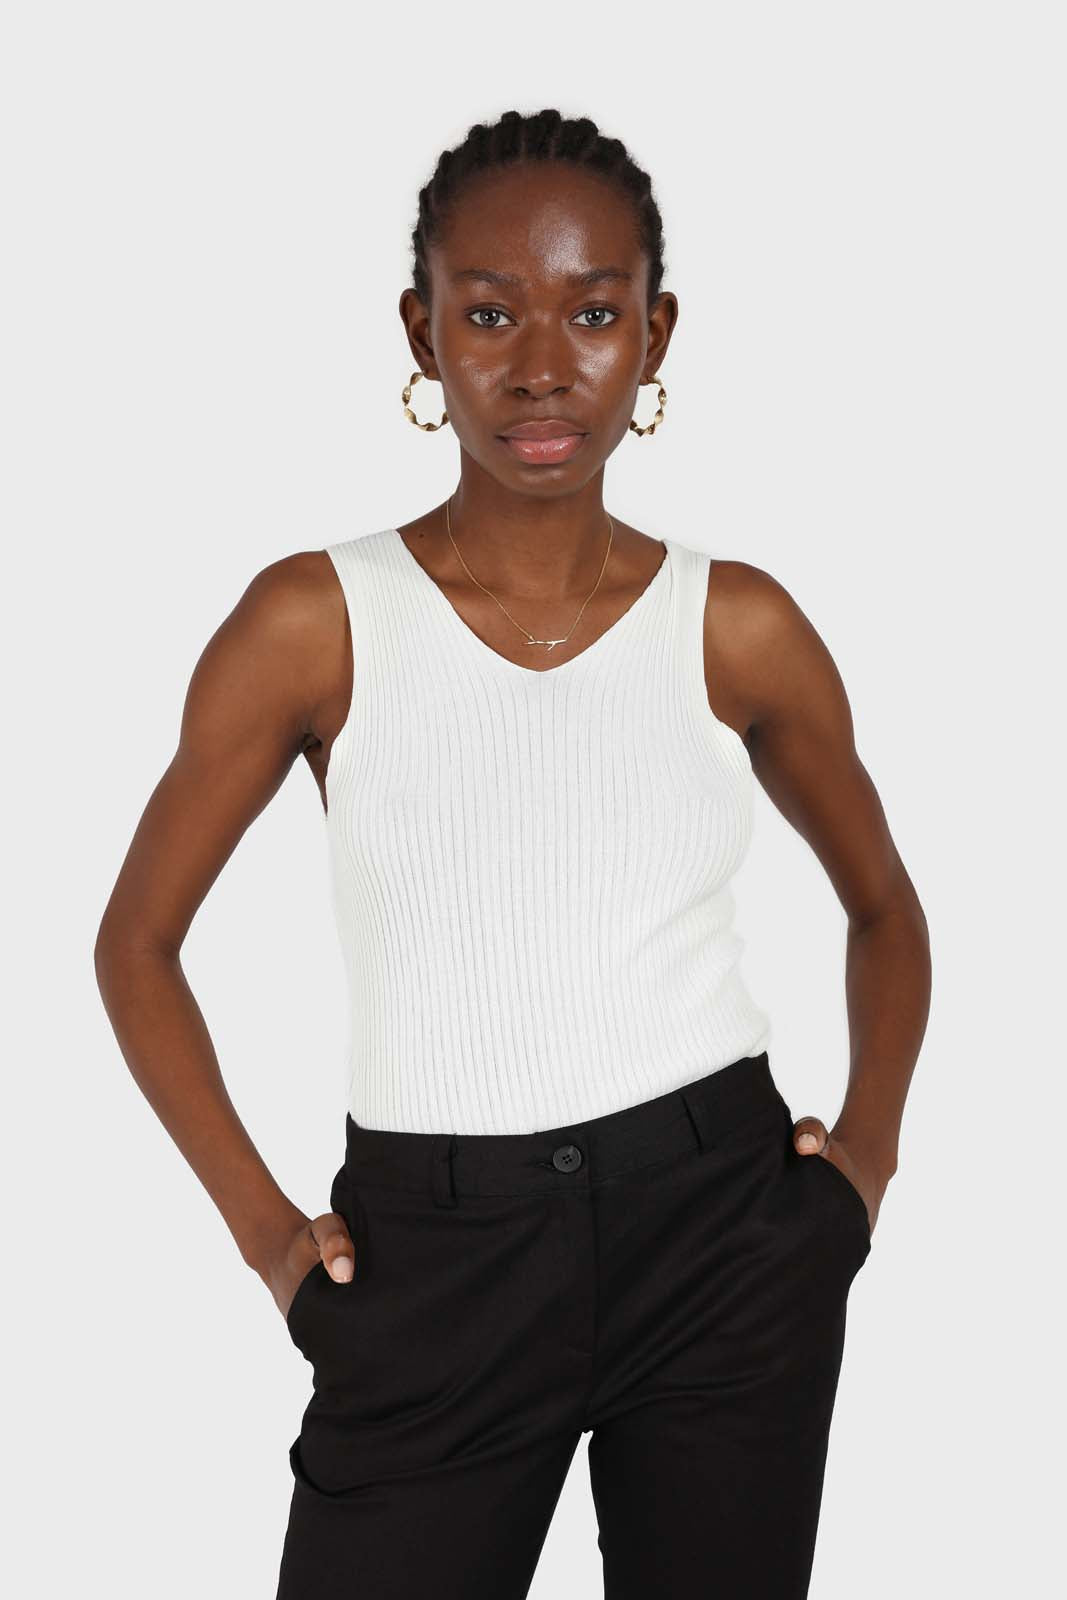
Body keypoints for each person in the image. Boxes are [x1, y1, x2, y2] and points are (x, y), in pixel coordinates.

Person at [94, 107, 931, 1599]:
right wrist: (273, 1245)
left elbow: (885, 909)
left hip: (724, 1243)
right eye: (488, 314)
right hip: (435, 1267)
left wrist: (859, 1169)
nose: (543, 368)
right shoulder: (313, 621)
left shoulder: (737, 626)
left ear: (655, 335)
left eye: (594, 314)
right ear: (420, 332)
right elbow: (136, 947)